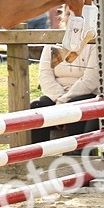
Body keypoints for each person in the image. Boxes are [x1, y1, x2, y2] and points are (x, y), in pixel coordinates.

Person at [29, 9, 100, 145]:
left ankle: (77, 157)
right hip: (57, 96)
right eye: (68, 14)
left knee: (77, 108)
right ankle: (38, 159)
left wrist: (64, 103)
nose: (72, 19)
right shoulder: (52, 42)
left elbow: (90, 80)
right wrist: (59, 100)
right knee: (37, 107)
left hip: (83, 94)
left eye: (78, 15)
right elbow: (45, 76)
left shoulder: (93, 44)